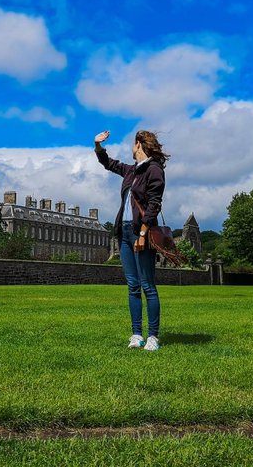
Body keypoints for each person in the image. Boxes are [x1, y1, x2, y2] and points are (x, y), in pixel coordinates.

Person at [94, 129, 169, 352]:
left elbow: (154, 203)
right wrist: (98, 145)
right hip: (124, 233)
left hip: (141, 232)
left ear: (139, 145)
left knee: (148, 285)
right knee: (133, 286)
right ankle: (136, 334)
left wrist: (144, 232)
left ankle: (153, 336)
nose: (131, 147)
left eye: (133, 144)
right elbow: (108, 163)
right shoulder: (130, 171)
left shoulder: (154, 170)